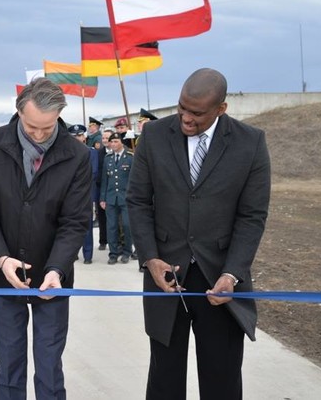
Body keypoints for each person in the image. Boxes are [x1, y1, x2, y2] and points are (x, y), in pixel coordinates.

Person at [127, 68, 271, 400]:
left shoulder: (250, 143)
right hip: (166, 279)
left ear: (221, 109)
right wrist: (150, 259)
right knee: (164, 379)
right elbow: (138, 201)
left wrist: (232, 274)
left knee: (222, 379)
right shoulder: (154, 135)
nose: (186, 119)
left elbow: (252, 216)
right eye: (181, 108)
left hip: (220, 282)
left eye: (197, 113)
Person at [0, 77, 92, 399]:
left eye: (47, 128)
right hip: (4, 273)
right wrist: (0, 258)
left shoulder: (77, 154)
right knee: (9, 364)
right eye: (31, 127)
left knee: (50, 367)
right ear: (19, 111)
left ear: (59, 117)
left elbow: (75, 221)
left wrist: (57, 269)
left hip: (53, 278)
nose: (38, 135)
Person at [100, 132, 134, 265]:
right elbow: (105, 180)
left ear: (121, 142)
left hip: (126, 198)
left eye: (116, 141)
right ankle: (113, 253)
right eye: (111, 142)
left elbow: (133, 180)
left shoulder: (130, 157)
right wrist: (102, 198)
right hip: (111, 198)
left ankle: (127, 252)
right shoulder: (108, 158)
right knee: (111, 227)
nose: (113, 144)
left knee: (127, 225)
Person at [68, 124, 98, 264]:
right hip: (69, 195)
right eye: (74, 136)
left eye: (79, 135)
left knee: (87, 225)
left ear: (84, 137)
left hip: (86, 194)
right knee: (70, 226)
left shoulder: (91, 152)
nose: (77, 138)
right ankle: (72, 253)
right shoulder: (67, 152)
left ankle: (88, 254)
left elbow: (94, 172)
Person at [96, 129, 113, 252]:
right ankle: (103, 240)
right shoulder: (98, 153)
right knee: (102, 216)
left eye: (107, 138)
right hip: (101, 187)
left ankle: (118, 242)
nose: (105, 140)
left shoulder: (119, 152)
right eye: (103, 138)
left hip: (114, 188)